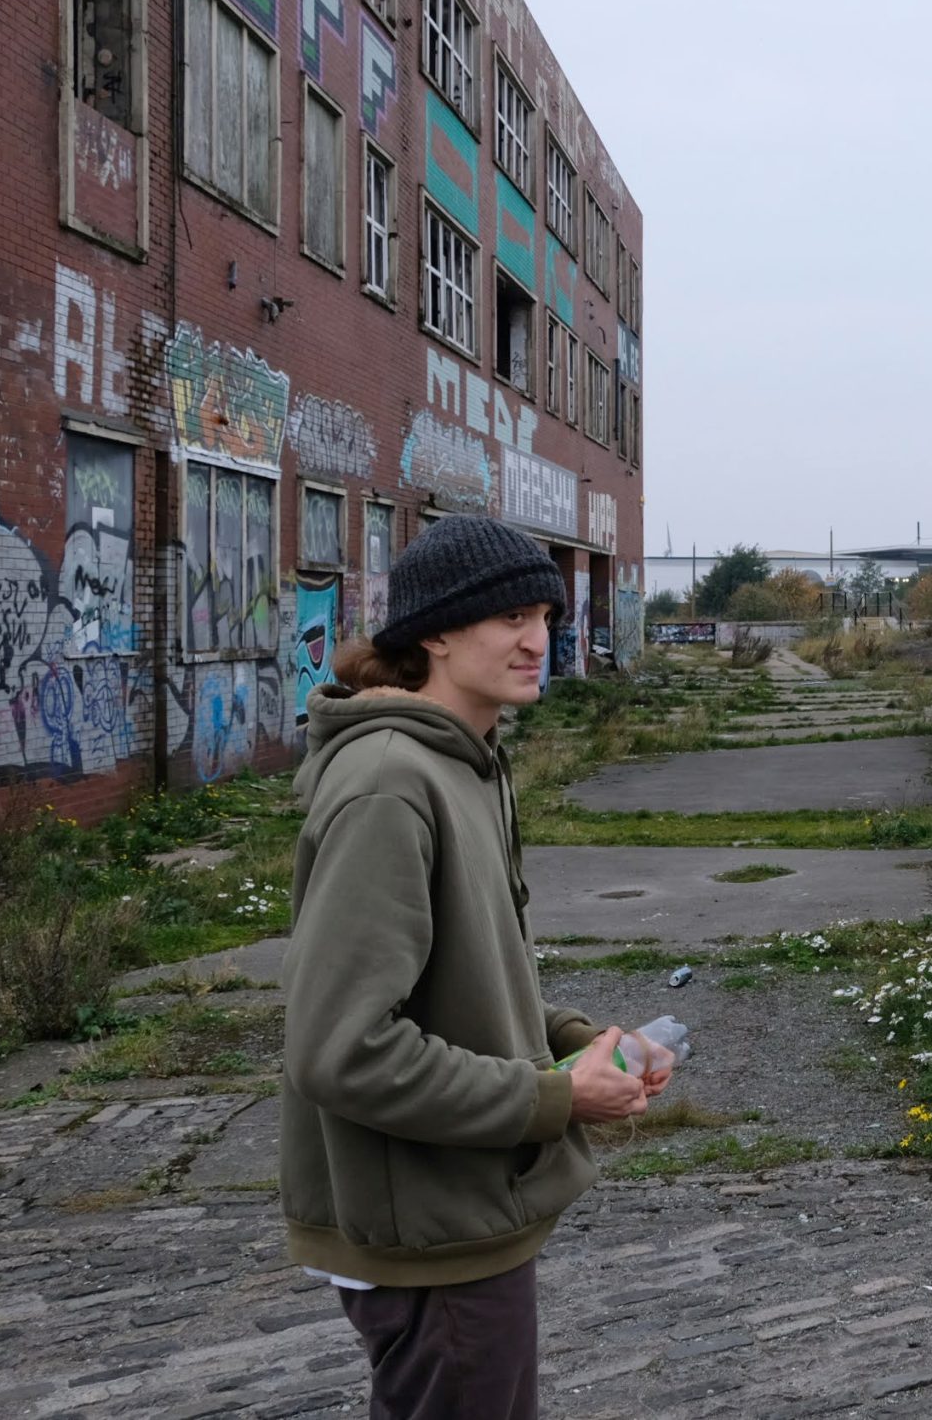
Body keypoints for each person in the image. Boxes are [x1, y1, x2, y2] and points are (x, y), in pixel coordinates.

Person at [280, 517, 672, 1420]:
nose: (538, 639)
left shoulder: (463, 763)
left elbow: (461, 984)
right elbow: (342, 1048)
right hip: (428, 1229)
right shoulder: (391, 783)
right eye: (508, 618)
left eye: (543, 613)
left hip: (456, 1213)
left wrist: (578, 1044)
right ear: (436, 632)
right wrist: (554, 1098)